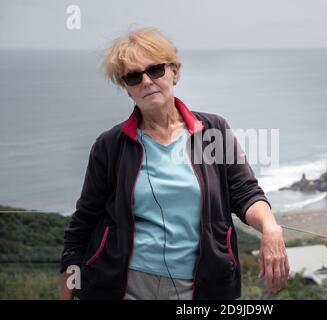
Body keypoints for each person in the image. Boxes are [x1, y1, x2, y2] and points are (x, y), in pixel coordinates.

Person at [60, 27, 289, 300]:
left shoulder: (212, 130)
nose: (146, 81)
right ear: (126, 87)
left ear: (175, 72)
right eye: (133, 77)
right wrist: (68, 289)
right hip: (122, 284)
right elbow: (83, 225)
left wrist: (270, 228)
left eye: (155, 70)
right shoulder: (110, 145)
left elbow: (245, 193)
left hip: (199, 286)